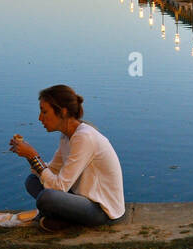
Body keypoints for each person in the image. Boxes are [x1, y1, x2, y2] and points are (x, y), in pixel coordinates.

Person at [9, 84, 125, 232]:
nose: (40, 118)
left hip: (101, 210)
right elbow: (52, 170)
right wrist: (29, 156)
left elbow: (58, 187)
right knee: (31, 181)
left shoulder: (84, 137)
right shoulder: (66, 136)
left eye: (44, 112)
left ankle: (60, 219)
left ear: (62, 112)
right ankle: (62, 220)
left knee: (47, 197)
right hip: (80, 198)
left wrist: (33, 156)